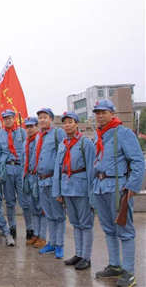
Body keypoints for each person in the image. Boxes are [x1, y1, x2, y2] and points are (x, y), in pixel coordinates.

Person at [91, 100, 145, 287]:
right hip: (100, 186)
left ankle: (129, 272)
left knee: (125, 230)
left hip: (117, 187)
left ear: (112, 113)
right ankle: (115, 264)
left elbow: (138, 161)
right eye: (97, 112)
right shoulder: (100, 134)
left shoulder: (123, 133)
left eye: (103, 112)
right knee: (108, 229)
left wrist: (132, 187)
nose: (100, 115)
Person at [52, 112, 95, 270]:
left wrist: (92, 194)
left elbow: (91, 169)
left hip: (82, 187)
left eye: (70, 122)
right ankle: (78, 254)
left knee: (86, 224)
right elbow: (58, 168)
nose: (67, 125)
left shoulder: (85, 143)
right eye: (65, 123)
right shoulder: (63, 144)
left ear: (77, 124)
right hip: (67, 187)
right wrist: (58, 191)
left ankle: (87, 257)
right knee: (76, 223)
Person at [0, 109, 32, 240]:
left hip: (20, 168)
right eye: (5, 118)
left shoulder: (22, 132)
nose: (8, 120)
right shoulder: (0, 134)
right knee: (9, 201)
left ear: (14, 119)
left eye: (10, 118)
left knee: (25, 201)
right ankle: (12, 227)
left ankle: (30, 228)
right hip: (7, 168)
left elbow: (28, 151)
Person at [34, 108, 67, 258]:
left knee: (58, 214)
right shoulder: (39, 136)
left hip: (54, 180)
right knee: (48, 214)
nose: (42, 120)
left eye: (45, 117)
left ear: (51, 119)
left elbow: (65, 155)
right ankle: (52, 242)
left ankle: (59, 244)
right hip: (41, 180)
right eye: (40, 118)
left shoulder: (57, 133)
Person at [21, 117, 48, 249]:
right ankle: (36, 234)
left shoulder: (40, 139)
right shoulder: (26, 141)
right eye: (27, 127)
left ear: (37, 126)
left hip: (39, 177)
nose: (29, 129)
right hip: (29, 176)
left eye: (32, 126)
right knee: (34, 208)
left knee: (42, 208)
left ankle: (42, 236)